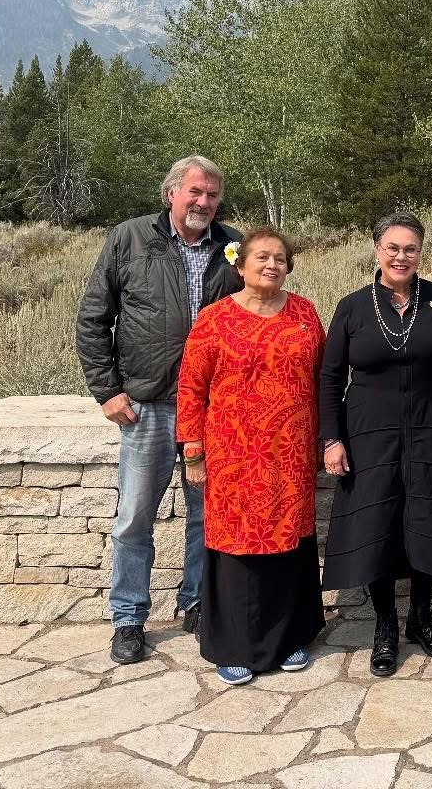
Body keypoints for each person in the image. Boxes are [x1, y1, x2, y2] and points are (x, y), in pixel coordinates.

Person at [77, 156, 242, 665]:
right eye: (195, 192)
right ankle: (128, 619)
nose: (204, 203)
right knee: (133, 519)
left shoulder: (231, 247)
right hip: (146, 407)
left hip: (211, 410)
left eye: (212, 195)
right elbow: (93, 319)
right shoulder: (129, 239)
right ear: (170, 192)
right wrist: (107, 391)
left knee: (205, 516)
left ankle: (196, 604)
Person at [319, 212, 432, 677]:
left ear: (420, 253)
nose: (400, 256)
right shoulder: (351, 307)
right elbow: (329, 377)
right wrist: (331, 439)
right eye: (392, 247)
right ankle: (385, 625)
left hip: (426, 425)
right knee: (377, 524)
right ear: (376, 251)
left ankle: (421, 619)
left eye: (410, 248)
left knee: (425, 518)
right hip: (367, 430)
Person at [175, 227, 327, 684]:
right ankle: (235, 645)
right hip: (233, 454)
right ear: (240, 266)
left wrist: (326, 438)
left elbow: (324, 377)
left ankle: (289, 638)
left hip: (291, 452)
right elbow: (190, 386)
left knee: (289, 542)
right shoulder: (215, 319)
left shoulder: (305, 313)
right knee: (237, 545)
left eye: (280, 258)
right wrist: (193, 450)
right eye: (261, 257)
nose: (271, 265)